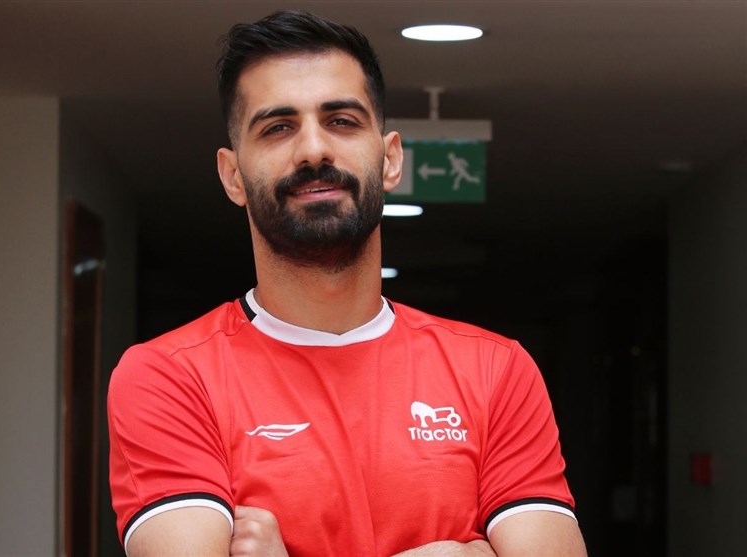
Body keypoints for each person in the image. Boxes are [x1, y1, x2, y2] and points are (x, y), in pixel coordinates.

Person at [107, 10, 587, 557]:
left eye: (341, 121)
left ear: (390, 159)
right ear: (232, 175)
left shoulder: (496, 371)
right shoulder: (168, 376)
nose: (314, 150)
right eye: (278, 127)